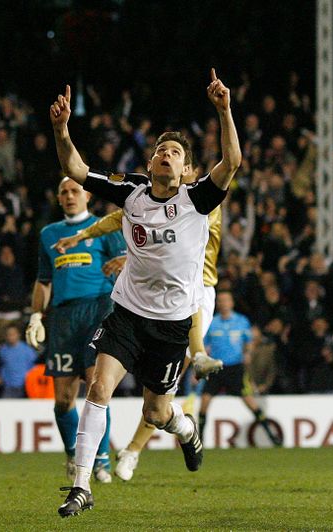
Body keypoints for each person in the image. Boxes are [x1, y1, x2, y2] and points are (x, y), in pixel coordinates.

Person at [50, 69, 240, 517]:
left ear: (188, 168)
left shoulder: (199, 199)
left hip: (173, 323)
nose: (165, 156)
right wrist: (61, 129)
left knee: (157, 414)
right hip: (128, 314)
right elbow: (75, 169)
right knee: (98, 385)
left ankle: (187, 430)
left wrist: (225, 109)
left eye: (174, 152)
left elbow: (231, 162)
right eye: (160, 151)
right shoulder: (131, 191)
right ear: (150, 162)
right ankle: (81, 485)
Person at [53, 167, 225, 482]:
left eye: (182, 160)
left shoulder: (202, 202)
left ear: (190, 170)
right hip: (146, 300)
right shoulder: (147, 197)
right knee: (140, 401)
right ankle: (172, 430)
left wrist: (132, 257)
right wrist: (83, 236)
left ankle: (133, 448)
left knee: (162, 399)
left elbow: (173, 246)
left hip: (197, 289)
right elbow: (120, 220)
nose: (176, 166)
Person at [26, 175, 126, 484]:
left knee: (97, 386)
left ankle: (102, 462)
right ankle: (73, 452)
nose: (69, 195)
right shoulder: (49, 235)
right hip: (64, 317)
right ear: (59, 199)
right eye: (64, 192)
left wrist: (121, 261)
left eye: (75, 190)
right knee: (63, 400)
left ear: (87, 196)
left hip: (99, 310)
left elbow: (129, 260)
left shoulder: (105, 227)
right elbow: (44, 280)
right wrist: (35, 316)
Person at [199, 290, 282, 444]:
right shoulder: (212, 322)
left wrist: (248, 352)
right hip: (216, 368)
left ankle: (270, 434)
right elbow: (205, 345)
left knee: (249, 401)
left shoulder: (241, 321)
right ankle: (199, 440)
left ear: (231, 303)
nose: (223, 303)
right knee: (204, 401)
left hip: (235, 368)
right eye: (221, 300)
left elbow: (249, 341)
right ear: (217, 304)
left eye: (226, 300)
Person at [0, 324, 37, 398]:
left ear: (18, 335)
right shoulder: (2, 350)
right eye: (9, 334)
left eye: (13, 334)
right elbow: (2, 365)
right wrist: (1, 376)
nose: (11, 337)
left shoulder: (28, 350)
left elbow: (33, 368)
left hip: (24, 385)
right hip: (8, 386)